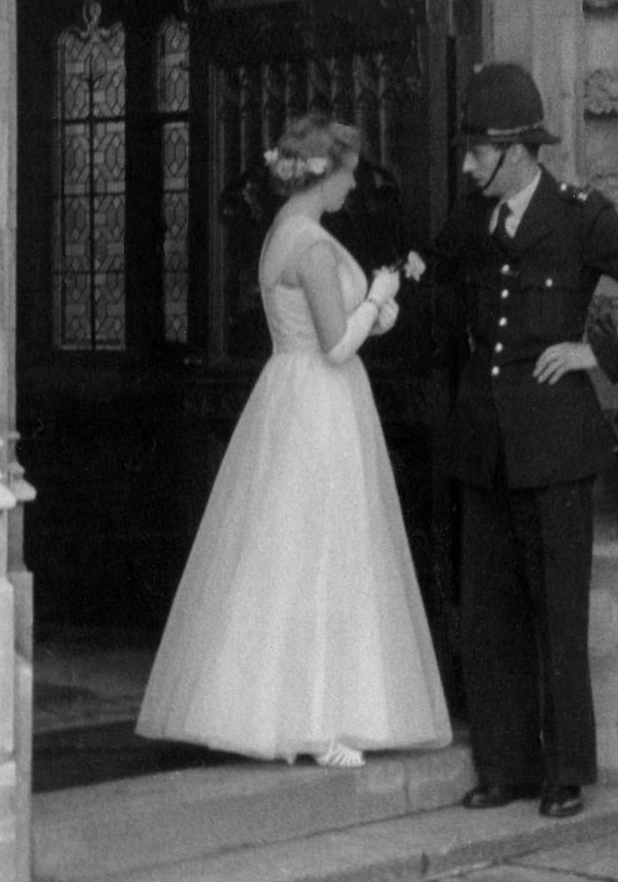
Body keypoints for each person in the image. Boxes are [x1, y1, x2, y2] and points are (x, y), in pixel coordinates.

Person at [428, 63, 618, 818]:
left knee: (557, 614)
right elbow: (442, 286)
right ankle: (505, 766)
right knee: (489, 617)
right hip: (483, 445)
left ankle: (565, 772)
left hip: (555, 448)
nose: (466, 164)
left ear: (516, 149)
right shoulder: (470, 217)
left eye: (477, 151)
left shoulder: (580, 216)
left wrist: (601, 352)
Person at [137, 112, 452, 768]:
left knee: (304, 542)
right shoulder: (308, 243)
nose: (354, 184)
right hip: (319, 399)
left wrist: (379, 309)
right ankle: (315, 718)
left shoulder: (289, 232)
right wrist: (382, 293)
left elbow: (333, 325)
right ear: (323, 173)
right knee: (320, 545)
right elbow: (337, 344)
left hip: (300, 389)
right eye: (348, 173)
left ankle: (318, 708)